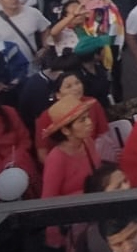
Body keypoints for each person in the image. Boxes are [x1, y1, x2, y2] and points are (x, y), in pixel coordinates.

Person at [41, 95, 101, 248]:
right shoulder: (56, 159)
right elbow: (48, 202)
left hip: (95, 214)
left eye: (88, 118)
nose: (89, 123)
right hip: (72, 225)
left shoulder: (88, 142)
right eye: (82, 120)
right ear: (66, 130)